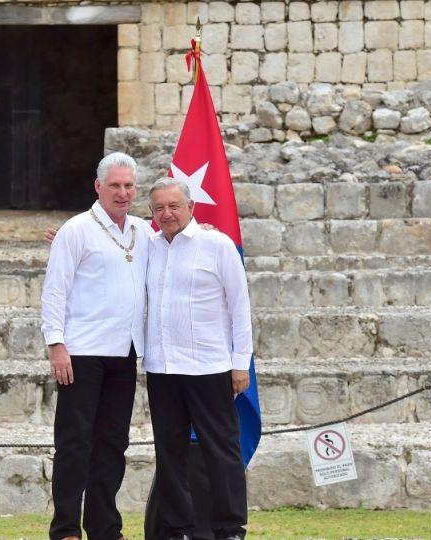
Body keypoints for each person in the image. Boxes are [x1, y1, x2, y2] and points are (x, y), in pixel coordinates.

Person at [41, 151, 149, 540]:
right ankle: (66, 528)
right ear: (98, 187)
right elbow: (55, 290)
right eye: (115, 185)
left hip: (125, 352)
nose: (122, 193)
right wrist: (56, 344)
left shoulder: (143, 230)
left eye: (128, 186)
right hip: (82, 353)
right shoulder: (77, 229)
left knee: (112, 444)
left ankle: (105, 527)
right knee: (74, 443)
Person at [143, 177, 253, 540]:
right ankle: (178, 528)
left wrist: (241, 362)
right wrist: (67, 241)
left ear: (191, 207)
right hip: (163, 368)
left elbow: (240, 306)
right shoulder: (149, 246)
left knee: (222, 451)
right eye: (159, 208)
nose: (167, 214)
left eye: (174, 206)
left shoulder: (217, 245)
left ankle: (230, 528)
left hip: (210, 367)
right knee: (170, 452)